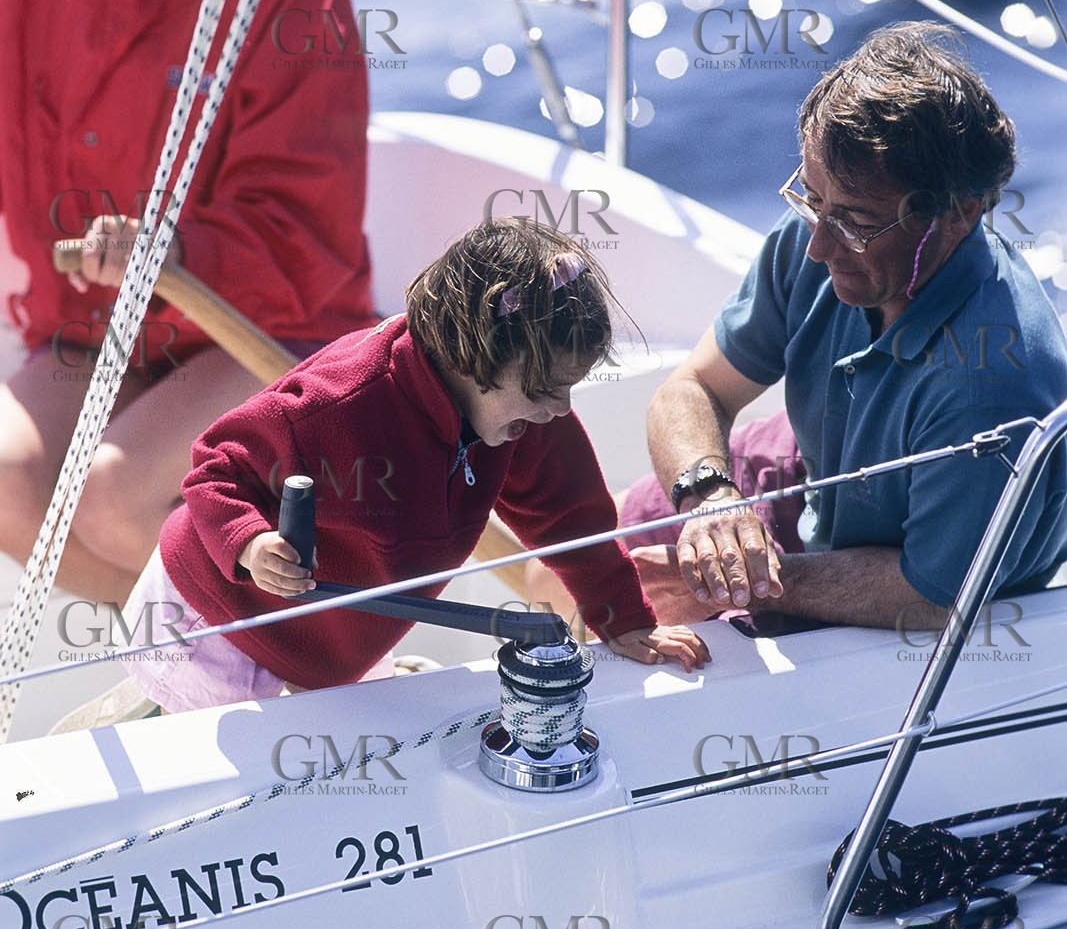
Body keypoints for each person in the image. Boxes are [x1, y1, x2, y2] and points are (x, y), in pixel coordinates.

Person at [0, 0, 375, 605]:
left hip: (258, 326)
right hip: (95, 322)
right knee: (6, 480)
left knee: (115, 503)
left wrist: (164, 251)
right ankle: (198, 668)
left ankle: (286, 667)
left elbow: (299, 234)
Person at [118, 220, 709, 712]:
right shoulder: (338, 406)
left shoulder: (525, 417)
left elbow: (572, 520)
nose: (560, 409)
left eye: (568, 389)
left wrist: (627, 619)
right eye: (545, 390)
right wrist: (249, 544)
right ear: (475, 356)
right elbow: (215, 472)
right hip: (217, 625)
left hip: (337, 640)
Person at [627, 22, 1067, 635]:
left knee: (663, 618)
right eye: (811, 201)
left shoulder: (989, 388)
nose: (817, 247)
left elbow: (933, 597)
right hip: (809, 483)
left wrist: (750, 580)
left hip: (911, 589)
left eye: (856, 221)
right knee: (605, 563)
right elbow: (695, 388)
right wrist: (709, 497)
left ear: (959, 212)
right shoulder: (819, 237)